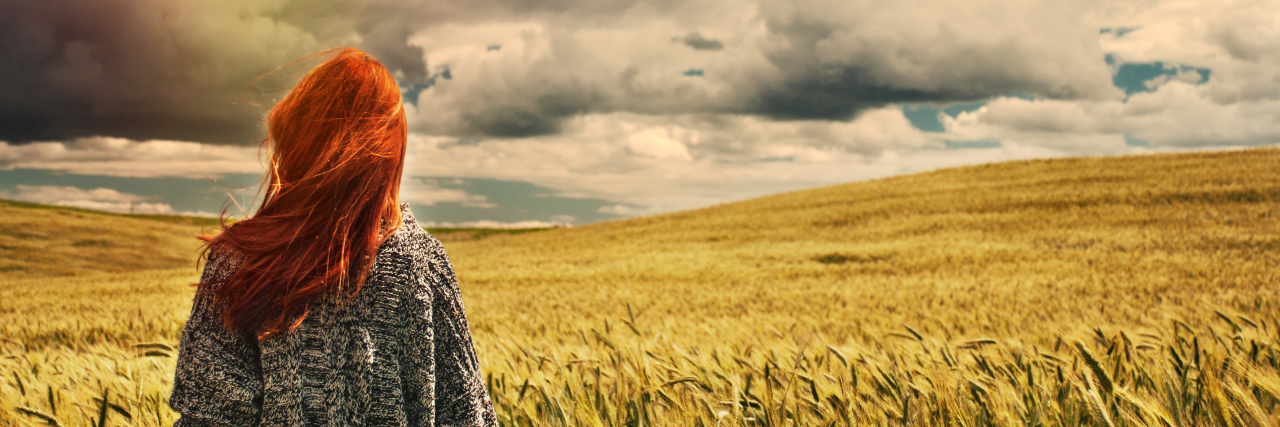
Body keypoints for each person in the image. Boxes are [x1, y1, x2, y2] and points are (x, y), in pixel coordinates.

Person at [169, 47, 498, 427]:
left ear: (295, 140)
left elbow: (208, 418)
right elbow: (468, 415)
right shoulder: (422, 264)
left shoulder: (238, 259)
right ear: (390, 153)